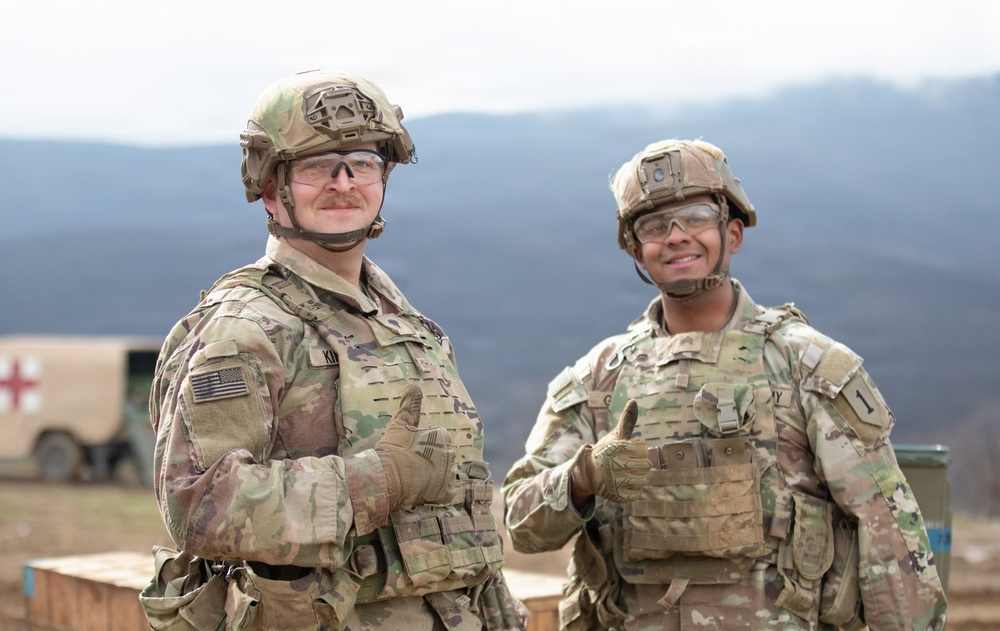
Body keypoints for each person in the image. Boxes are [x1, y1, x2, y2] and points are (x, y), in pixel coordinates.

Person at [501, 139, 947, 630]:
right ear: (635, 248)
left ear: (731, 233)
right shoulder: (597, 379)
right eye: (653, 226)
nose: (674, 237)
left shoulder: (807, 367)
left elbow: (888, 533)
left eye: (693, 217)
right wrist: (582, 479)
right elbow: (521, 525)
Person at [140, 70, 526, 631]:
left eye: (363, 163)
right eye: (317, 166)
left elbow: (457, 514)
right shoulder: (245, 329)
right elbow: (198, 505)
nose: (344, 183)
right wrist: (380, 481)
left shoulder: (408, 327)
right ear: (271, 187)